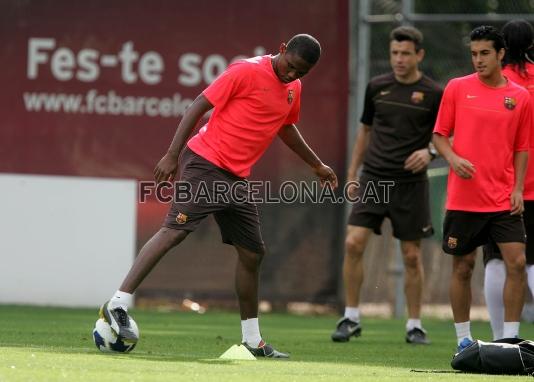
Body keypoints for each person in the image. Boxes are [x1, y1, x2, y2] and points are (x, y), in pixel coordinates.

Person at [98, 34, 338, 359]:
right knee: (175, 231)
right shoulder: (246, 71)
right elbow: (199, 104)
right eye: (291, 66)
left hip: (236, 178)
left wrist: (317, 165)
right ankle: (118, 303)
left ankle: (253, 342)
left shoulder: (294, 88)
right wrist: (172, 155)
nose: (292, 75)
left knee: (252, 254)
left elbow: (286, 126)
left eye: (301, 73)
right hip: (205, 162)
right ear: (281, 50)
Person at [331, 26, 442, 345]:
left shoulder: (434, 93)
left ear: (419, 55)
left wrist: (430, 152)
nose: (399, 59)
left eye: (406, 53)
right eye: (395, 53)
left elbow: (447, 134)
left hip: (410, 184)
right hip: (373, 179)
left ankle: (415, 325)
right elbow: (364, 131)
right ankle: (350, 318)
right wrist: (353, 174)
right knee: (353, 243)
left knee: (410, 255)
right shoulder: (377, 87)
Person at [433, 25, 532, 352]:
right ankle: (463, 338)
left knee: (517, 263)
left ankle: (508, 338)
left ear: (501, 54)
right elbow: (439, 135)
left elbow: (522, 146)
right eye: (473, 54)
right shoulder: (457, 88)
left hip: (503, 198)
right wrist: (452, 158)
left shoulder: (520, 96)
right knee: (463, 266)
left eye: (484, 53)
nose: (477, 60)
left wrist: (517, 187)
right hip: (464, 199)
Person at [482, 19, 534, 340]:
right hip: (532, 186)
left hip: (499, 186)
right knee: (531, 264)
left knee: (496, 260)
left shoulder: (494, 81)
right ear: (530, 45)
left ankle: (500, 338)